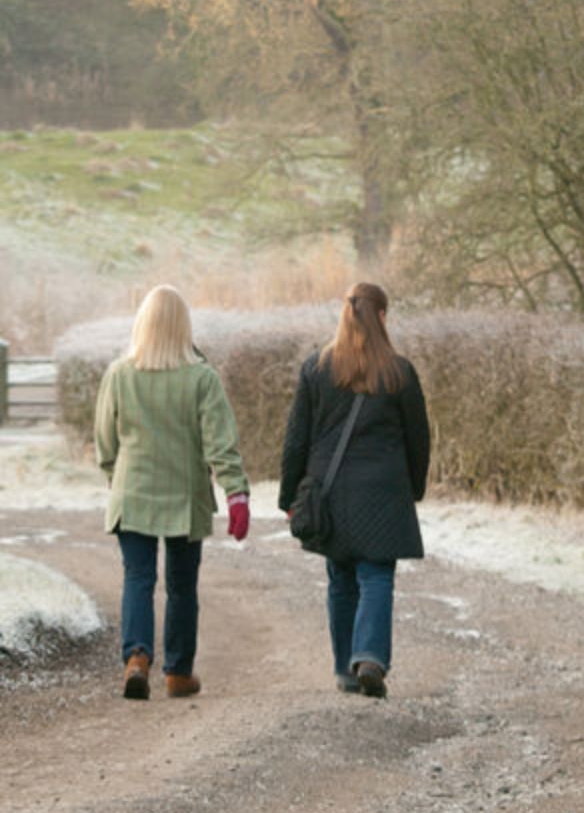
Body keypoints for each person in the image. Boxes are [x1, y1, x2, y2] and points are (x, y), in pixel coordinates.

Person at [94, 285, 250, 701]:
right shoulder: (202, 378)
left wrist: (118, 477)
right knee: (182, 585)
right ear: (184, 327)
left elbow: (105, 445)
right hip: (186, 497)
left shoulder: (119, 375)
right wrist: (236, 493)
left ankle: (137, 659)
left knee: (138, 579)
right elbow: (221, 443)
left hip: (133, 493)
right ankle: (179, 672)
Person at [278, 283, 430, 698]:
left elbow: (296, 441)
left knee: (341, 577)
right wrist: (413, 489)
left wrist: (289, 497)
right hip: (383, 491)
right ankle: (370, 657)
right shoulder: (399, 372)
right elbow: (419, 439)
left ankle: (347, 668)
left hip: (331, 493)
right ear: (381, 317)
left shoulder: (316, 367)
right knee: (377, 575)